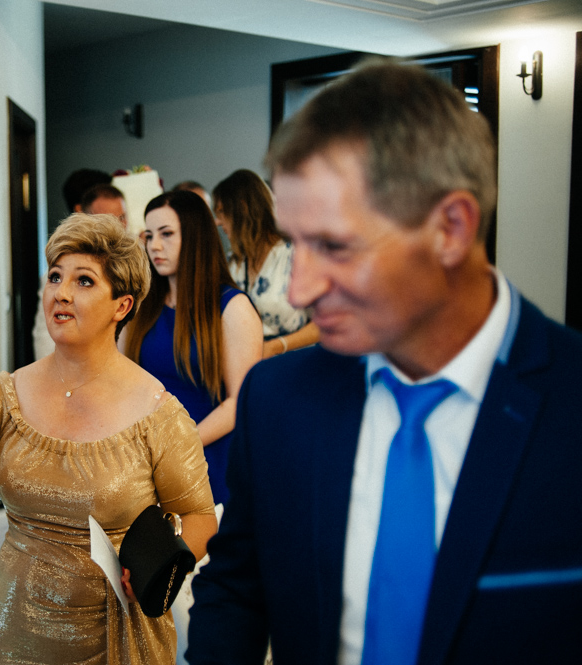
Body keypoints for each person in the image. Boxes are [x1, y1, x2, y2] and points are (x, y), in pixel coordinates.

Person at [187, 59, 582, 665]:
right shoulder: (278, 400)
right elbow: (237, 589)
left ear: (450, 228)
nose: (299, 290)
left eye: (334, 245)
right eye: (295, 243)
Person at [0, 213, 218, 665]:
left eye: (83, 281)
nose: (61, 292)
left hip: (115, 640)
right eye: (55, 276)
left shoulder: (158, 414)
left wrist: (154, 568)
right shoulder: (4, 395)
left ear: (122, 306)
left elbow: (201, 517)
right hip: (15, 637)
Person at [123, 190, 262, 508]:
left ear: (196, 236)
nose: (154, 246)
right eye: (149, 236)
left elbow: (239, 401)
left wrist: (180, 447)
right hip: (144, 460)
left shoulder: (233, 308)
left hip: (207, 456)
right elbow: (117, 375)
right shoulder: (143, 306)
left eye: (166, 234)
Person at [212, 169, 319, 358]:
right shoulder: (234, 262)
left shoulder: (296, 255)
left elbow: (325, 323)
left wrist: (277, 346)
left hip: (293, 360)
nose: (218, 222)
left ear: (243, 207)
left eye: (222, 212)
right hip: (246, 363)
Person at [32, 184, 129, 359]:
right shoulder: (59, 273)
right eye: (107, 219)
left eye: (121, 218)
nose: (118, 227)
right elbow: (45, 338)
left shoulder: (139, 266)